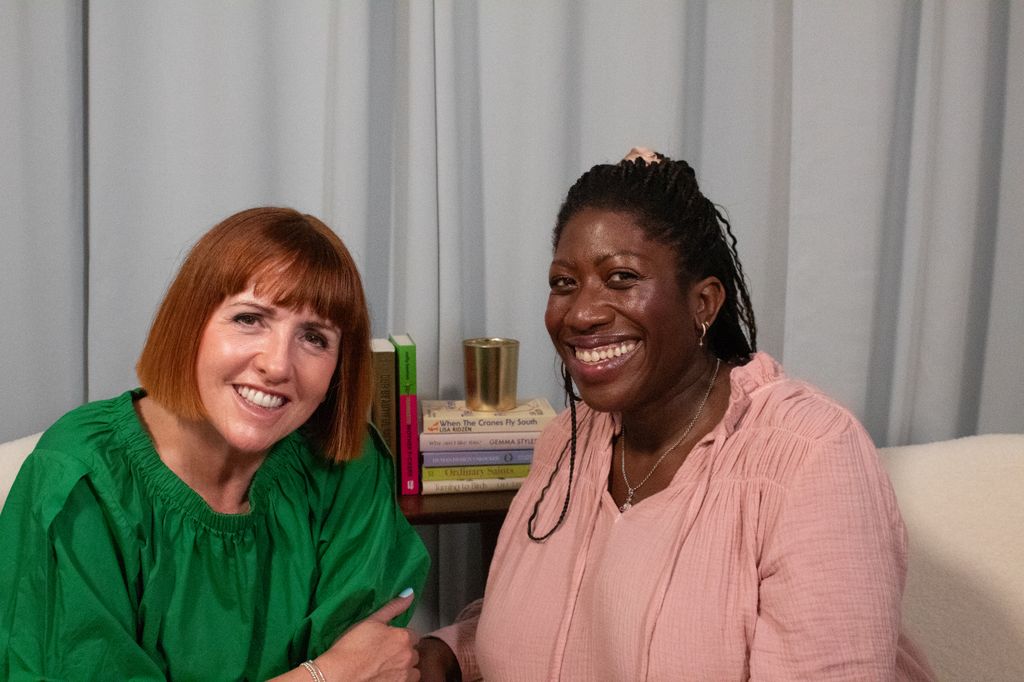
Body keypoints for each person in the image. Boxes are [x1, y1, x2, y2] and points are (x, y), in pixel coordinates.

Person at [416, 149, 935, 680]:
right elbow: (546, 622)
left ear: (704, 303)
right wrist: (451, 653)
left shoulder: (811, 457)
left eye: (621, 277)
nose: (581, 312)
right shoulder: (564, 442)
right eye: (564, 282)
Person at [0, 207, 430, 681]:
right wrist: (323, 675)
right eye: (250, 319)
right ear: (190, 324)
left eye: (314, 337)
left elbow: (375, 670)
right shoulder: (78, 479)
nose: (278, 365)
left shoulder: (346, 462)